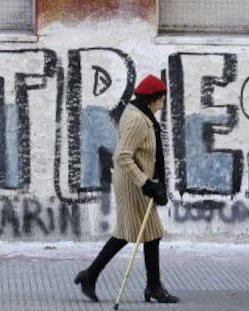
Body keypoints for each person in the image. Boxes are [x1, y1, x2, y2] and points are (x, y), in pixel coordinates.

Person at [74, 74, 179, 304]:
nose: (163, 103)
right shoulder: (138, 120)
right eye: (161, 98)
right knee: (149, 233)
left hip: (135, 182)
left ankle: (90, 276)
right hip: (134, 184)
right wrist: (146, 183)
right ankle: (153, 287)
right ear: (153, 99)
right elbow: (122, 155)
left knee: (129, 233)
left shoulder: (140, 112)